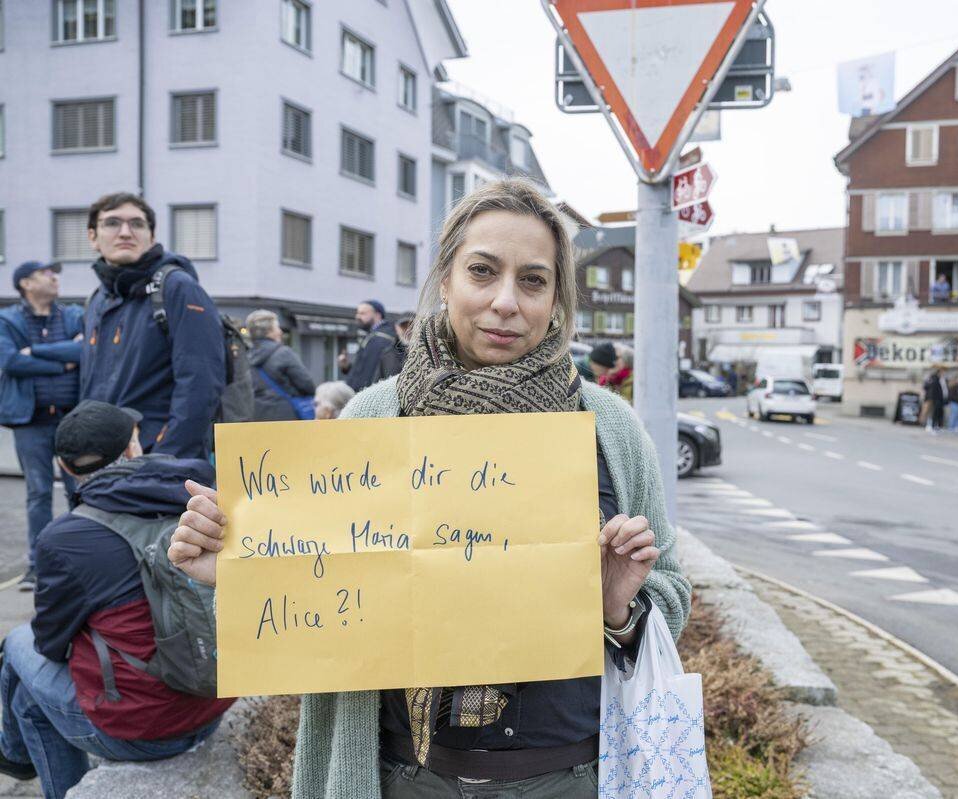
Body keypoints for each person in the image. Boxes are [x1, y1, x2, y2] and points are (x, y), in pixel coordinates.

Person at [168, 178, 691, 799]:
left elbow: (673, 596)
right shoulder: (373, 417)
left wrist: (618, 606)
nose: (505, 301)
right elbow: (321, 590)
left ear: (557, 299)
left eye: (533, 280)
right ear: (445, 281)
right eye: (482, 271)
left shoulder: (610, 429)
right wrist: (235, 566)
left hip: (570, 776)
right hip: (404, 776)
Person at [0, 401, 233, 799]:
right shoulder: (202, 499)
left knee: (17, 648)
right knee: (27, 695)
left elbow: (50, 645)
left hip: (141, 732)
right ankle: (16, 757)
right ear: (132, 449)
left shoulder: (65, 538)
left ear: (67, 469)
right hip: (217, 701)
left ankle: (16, 759)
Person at [80, 193, 225, 460]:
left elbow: (200, 384)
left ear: (152, 236)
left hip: (155, 462)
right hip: (102, 460)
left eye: (137, 224)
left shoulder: (177, 288)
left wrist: (162, 458)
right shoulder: (97, 299)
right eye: (112, 223)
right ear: (92, 237)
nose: (125, 232)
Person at [0, 261, 84, 590]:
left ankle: (83, 559)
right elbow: (10, 361)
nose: (54, 278)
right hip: (30, 421)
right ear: (26, 283)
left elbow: (84, 351)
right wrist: (62, 364)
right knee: (38, 493)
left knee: (81, 492)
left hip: (72, 419)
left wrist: (36, 351)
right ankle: (38, 566)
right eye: (46, 274)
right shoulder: (8, 319)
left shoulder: (75, 315)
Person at [246, 309, 316, 422]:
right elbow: (307, 385)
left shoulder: (247, 357)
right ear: (269, 332)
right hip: (286, 415)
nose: (280, 332)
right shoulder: (284, 353)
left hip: (256, 416)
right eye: (277, 327)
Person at [342, 300, 398, 391]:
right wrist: (346, 367)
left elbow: (369, 374)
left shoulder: (380, 338)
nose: (357, 316)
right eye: (358, 313)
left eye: (362, 313)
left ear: (377, 315)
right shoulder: (373, 335)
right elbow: (363, 370)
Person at [378, 311, 415, 377]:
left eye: (411, 326)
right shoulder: (387, 354)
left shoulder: (427, 352)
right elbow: (378, 380)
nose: (408, 330)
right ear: (396, 328)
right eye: (403, 326)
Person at [922, 367, 946, 434]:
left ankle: (933, 426)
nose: (943, 373)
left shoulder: (940, 379)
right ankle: (928, 425)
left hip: (936, 399)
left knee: (935, 413)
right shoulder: (933, 379)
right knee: (930, 412)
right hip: (931, 399)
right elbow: (928, 388)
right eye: (942, 372)